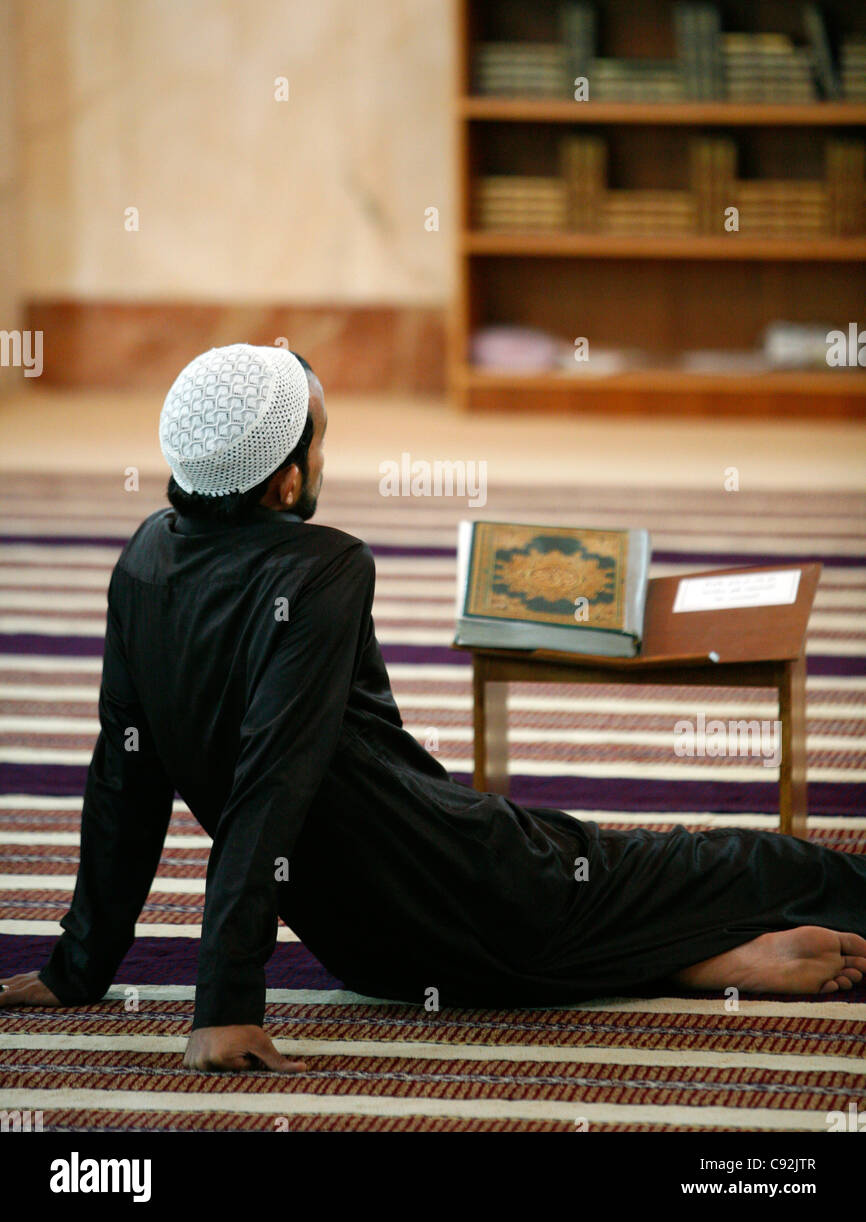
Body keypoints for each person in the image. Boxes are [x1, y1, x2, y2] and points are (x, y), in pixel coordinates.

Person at [2, 343, 865, 1076]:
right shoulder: (322, 569)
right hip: (478, 884)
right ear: (287, 481)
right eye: (322, 444)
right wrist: (224, 1005)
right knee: (737, 863)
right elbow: (273, 777)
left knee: (607, 897)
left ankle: (699, 959)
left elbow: (126, 771)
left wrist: (80, 966)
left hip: (368, 951)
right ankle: (706, 944)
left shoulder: (144, 560)